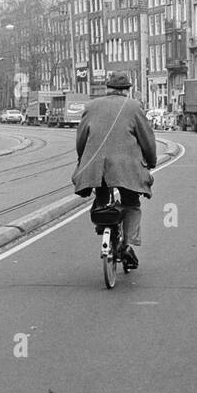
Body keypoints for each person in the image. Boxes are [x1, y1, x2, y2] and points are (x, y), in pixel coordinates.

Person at [71, 71, 158, 269]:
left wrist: (82, 160)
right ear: (127, 90)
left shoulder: (91, 106)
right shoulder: (134, 106)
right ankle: (127, 245)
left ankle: (104, 227)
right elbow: (147, 139)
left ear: (107, 88)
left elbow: (81, 138)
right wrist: (151, 161)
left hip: (96, 166)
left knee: (101, 199)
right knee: (132, 203)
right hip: (127, 166)